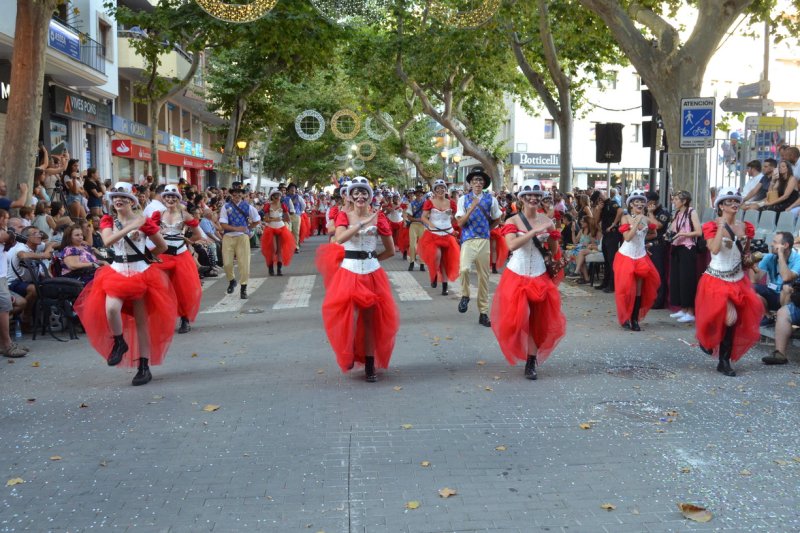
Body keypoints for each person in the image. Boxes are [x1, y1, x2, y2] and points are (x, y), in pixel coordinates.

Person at [74, 182, 177, 386]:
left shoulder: (144, 221)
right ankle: (120, 342)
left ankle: (144, 367)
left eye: (122, 197)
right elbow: (107, 242)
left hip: (141, 273)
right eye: (114, 197)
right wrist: (130, 227)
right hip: (116, 272)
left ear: (131, 200)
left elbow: (162, 245)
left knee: (141, 323)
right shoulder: (107, 220)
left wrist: (147, 257)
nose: (118, 200)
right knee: (111, 308)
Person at [318, 177, 398, 382]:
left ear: (369, 196)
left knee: (370, 321)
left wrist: (373, 259)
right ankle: (350, 352)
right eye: (356, 193)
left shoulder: (379, 218)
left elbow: (391, 250)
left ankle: (370, 365)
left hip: (372, 273)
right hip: (349, 272)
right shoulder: (343, 215)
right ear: (351, 196)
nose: (360, 196)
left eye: (364, 193)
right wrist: (361, 223)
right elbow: (340, 238)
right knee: (351, 318)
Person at [490, 180, 566, 380]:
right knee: (516, 319)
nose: (533, 198)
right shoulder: (512, 222)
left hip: (539, 275)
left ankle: (531, 361)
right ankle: (520, 349)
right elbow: (512, 246)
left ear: (541, 199)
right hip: (516, 275)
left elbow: (554, 250)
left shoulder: (547, 221)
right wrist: (533, 232)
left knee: (537, 320)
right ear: (521, 198)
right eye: (528, 195)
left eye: (537, 196)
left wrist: (552, 236)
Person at [695, 188, 761, 377]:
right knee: (721, 316)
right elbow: (714, 250)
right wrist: (721, 228)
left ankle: (724, 360)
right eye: (729, 201)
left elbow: (745, 252)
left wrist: (751, 262)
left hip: (738, 278)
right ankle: (705, 337)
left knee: (732, 319)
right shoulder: (711, 226)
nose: (734, 204)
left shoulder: (746, 227)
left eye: (736, 201)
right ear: (721, 206)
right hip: (716, 278)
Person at [152, 185, 203, 334]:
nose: (170, 199)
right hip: (163, 255)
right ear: (163, 198)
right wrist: (158, 235)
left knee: (182, 289)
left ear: (178, 199)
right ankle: (163, 319)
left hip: (181, 256)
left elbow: (197, 235)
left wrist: (188, 240)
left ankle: (185, 319)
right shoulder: (158, 215)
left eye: (173, 197)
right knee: (160, 288)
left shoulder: (185, 215)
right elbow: (148, 232)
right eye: (167, 197)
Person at [456, 168, 502, 327]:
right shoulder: (463, 199)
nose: (477, 183)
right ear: (470, 183)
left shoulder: (491, 200)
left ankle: (483, 313)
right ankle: (465, 295)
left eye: (480, 180)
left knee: (484, 277)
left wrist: (488, 230)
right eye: (475, 180)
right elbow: (460, 223)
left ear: (484, 184)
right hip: (468, 240)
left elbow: (497, 218)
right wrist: (472, 207)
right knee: (464, 269)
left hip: (484, 240)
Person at [613, 190, 660, 331]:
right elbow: (627, 238)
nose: (639, 204)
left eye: (641, 201)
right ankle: (625, 317)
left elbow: (654, 232)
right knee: (626, 289)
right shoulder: (625, 218)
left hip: (640, 256)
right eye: (636, 202)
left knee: (639, 290)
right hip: (626, 257)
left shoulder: (646, 219)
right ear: (631, 205)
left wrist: (643, 241)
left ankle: (635, 319)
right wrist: (638, 221)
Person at [749, 231, 800, 327]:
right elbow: (754, 280)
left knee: (787, 287)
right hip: (772, 294)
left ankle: (781, 317)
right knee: (750, 287)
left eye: (775, 242)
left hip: (789, 299)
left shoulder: (798, 259)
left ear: (785, 245)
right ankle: (768, 316)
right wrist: (754, 262)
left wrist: (781, 255)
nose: (772, 244)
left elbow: (786, 277)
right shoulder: (769, 257)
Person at [418, 179, 460, 296]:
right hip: (433, 234)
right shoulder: (429, 202)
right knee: (437, 256)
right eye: (438, 188)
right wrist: (429, 223)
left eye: (442, 188)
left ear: (445, 190)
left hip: (448, 233)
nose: (440, 190)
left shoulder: (451, 203)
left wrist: (456, 227)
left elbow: (456, 217)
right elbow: (423, 217)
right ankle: (434, 274)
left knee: (446, 261)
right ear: (434, 191)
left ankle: (445, 286)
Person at [219, 184, 261, 299]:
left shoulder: (248, 207)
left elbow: (257, 220)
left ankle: (243, 288)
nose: (236, 196)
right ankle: (232, 280)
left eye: (239, 194)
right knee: (227, 263)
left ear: (242, 195)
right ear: (231, 195)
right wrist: (236, 228)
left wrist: (249, 227)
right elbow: (223, 224)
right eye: (234, 194)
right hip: (228, 236)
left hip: (242, 237)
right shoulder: (225, 207)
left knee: (244, 263)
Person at [667, 191, 702, 323]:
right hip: (677, 248)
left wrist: (684, 234)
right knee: (678, 280)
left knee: (687, 280)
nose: (674, 201)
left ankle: (690, 311)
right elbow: (673, 229)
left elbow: (698, 232)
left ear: (684, 201)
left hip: (688, 248)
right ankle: (683, 308)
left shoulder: (691, 212)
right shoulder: (677, 213)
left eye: (676, 199)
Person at [591, 189, 623, 293]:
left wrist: (614, 224)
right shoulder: (602, 206)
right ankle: (605, 282)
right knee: (607, 261)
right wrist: (599, 209)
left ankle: (612, 285)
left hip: (613, 234)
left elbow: (620, 211)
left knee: (611, 260)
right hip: (606, 235)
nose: (598, 202)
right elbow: (595, 221)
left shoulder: (611, 203)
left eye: (598, 200)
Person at [644, 192, 671, 309]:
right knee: (648, 274)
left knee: (658, 273)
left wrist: (650, 213)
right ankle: (649, 298)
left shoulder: (663, 212)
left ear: (652, 202)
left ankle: (659, 301)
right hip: (646, 245)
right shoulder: (646, 211)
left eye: (646, 201)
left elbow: (657, 226)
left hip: (658, 245)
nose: (644, 204)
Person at [260, 189, 295, 276]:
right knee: (273, 249)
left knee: (279, 250)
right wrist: (274, 219)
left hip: (281, 228)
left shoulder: (283, 205)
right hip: (271, 228)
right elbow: (266, 219)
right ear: (272, 197)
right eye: (275, 196)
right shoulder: (268, 206)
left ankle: (279, 269)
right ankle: (270, 267)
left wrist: (282, 219)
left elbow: (288, 219)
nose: (277, 198)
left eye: (278, 196)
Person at [404, 187, 427, 271]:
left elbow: (428, 216)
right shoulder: (412, 204)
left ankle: (422, 264)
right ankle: (411, 262)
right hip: (413, 225)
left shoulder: (426, 204)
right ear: (415, 195)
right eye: (417, 194)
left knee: (423, 245)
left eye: (421, 194)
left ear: (423, 195)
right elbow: (409, 217)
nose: (419, 195)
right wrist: (417, 219)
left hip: (423, 226)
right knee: (412, 245)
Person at [284, 183, 305, 252]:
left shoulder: (298, 197)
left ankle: (296, 246)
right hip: (287, 215)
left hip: (296, 215)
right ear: (288, 190)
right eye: (291, 189)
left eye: (294, 189)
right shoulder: (285, 197)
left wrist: (299, 212)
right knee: (288, 231)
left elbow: (303, 205)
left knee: (296, 231)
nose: (293, 190)